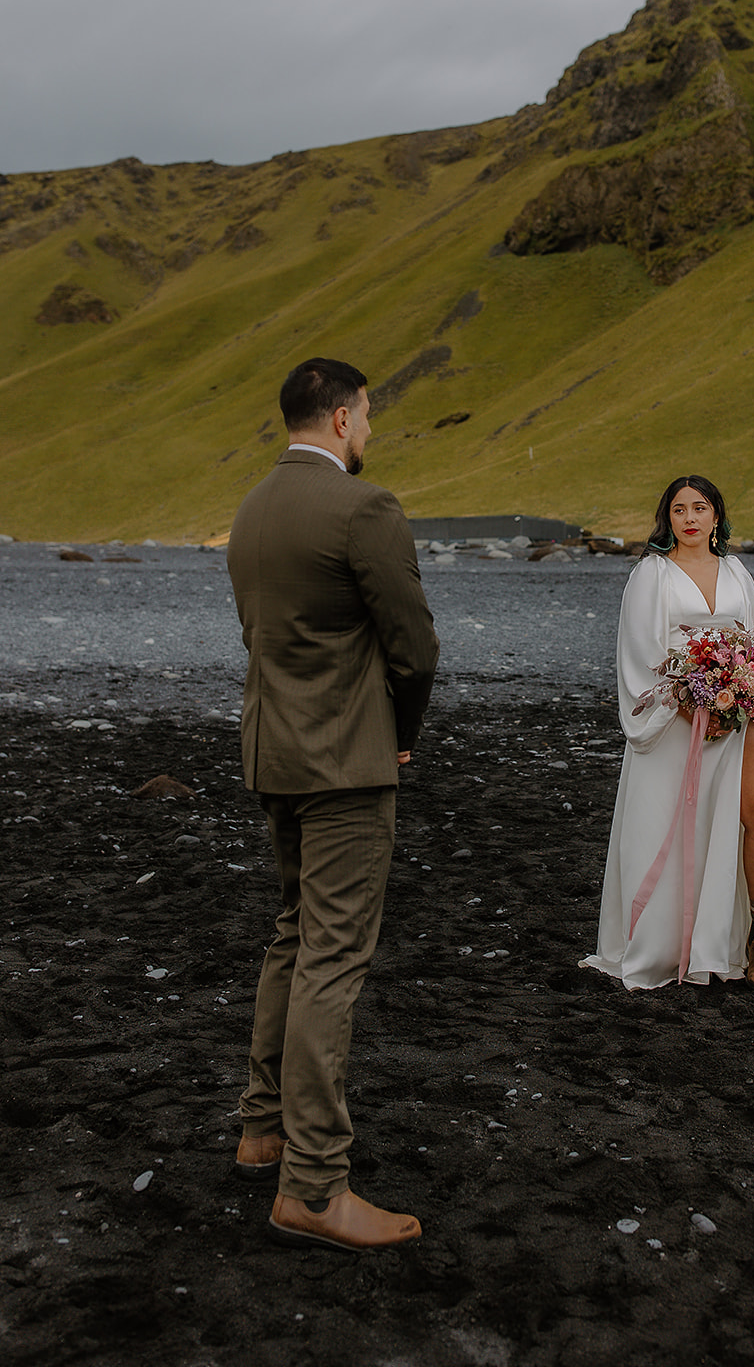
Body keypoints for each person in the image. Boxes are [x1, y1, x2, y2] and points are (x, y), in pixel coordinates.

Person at [226, 356, 439, 1251]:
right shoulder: (364, 507)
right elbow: (413, 646)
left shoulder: (249, 510)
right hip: (346, 763)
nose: (369, 430)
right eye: (368, 415)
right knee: (331, 959)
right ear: (347, 417)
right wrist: (403, 731)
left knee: (290, 933)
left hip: (273, 752)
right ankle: (312, 1186)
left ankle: (261, 1128)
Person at [582, 475, 754, 991]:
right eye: (679, 510)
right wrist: (690, 705)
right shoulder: (650, 575)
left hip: (740, 714)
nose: (690, 518)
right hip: (677, 722)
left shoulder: (738, 571)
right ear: (668, 519)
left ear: (716, 517)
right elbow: (639, 657)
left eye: (700, 508)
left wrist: (752, 691)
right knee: (684, 830)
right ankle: (678, 945)